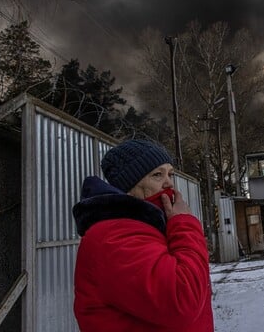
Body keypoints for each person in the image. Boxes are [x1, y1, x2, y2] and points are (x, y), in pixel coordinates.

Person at [72, 139, 214, 332]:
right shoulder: (113, 236)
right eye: (157, 175)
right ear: (128, 186)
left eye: (170, 174)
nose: (169, 183)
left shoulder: (148, 228)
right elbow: (182, 301)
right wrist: (185, 224)